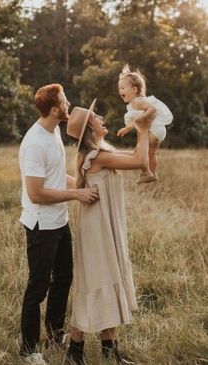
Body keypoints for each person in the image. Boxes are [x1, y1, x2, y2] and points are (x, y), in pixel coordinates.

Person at [65, 99, 151, 365]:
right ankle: (74, 353)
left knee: (109, 280)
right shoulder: (96, 157)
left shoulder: (102, 150)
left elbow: (136, 157)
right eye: (96, 117)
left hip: (104, 225)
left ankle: (110, 352)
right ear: (90, 130)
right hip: (96, 229)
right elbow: (139, 160)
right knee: (96, 284)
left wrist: (143, 131)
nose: (101, 118)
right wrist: (144, 128)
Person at [18, 84, 99, 365]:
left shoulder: (53, 134)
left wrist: (80, 184)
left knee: (63, 278)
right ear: (55, 110)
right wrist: (77, 194)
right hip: (41, 224)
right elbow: (36, 193)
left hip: (59, 221)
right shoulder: (34, 143)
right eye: (65, 101)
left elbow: (55, 177)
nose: (69, 104)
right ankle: (28, 349)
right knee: (37, 287)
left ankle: (54, 335)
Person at [117, 64, 173, 184]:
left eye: (122, 88)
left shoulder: (137, 102)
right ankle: (151, 172)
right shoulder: (135, 104)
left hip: (153, 129)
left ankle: (146, 172)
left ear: (134, 90)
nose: (120, 91)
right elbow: (135, 119)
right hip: (159, 131)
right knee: (151, 153)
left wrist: (141, 119)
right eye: (119, 89)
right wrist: (127, 128)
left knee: (140, 151)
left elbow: (152, 109)